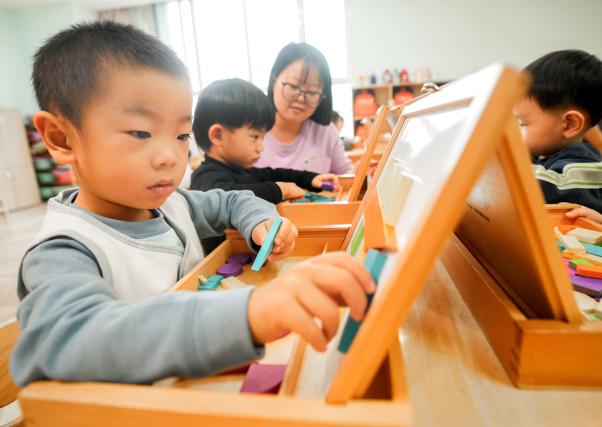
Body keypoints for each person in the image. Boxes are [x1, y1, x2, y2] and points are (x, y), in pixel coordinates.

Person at [11, 21, 374, 387]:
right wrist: (249, 314)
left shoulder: (173, 204)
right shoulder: (63, 251)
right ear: (61, 138)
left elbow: (234, 199)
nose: (171, 156)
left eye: (182, 135)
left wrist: (260, 222)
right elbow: (72, 341)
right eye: (141, 133)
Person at [190, 78, 340, 253]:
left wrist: (311, 179)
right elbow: (232, 198)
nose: (261, 147)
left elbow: (276, 173)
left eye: (263, 137)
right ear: (218, 136)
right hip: (226, 263)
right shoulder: (205, 178)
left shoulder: (241, 170)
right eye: (254, 137)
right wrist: (279, 190)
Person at [515, 49, 602, 237]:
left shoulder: (583, 158)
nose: (516, 132)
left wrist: (502, 164)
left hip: (589, 254)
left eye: (523, 123)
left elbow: (545, 190)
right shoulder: (542, 153)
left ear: (570, 124)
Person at [254, 42, 353, 174]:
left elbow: (347, 178)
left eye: (312, 92)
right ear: (273, 82)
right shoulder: (248, 131)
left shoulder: (326, 133)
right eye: (294, 87)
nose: (301, 98)